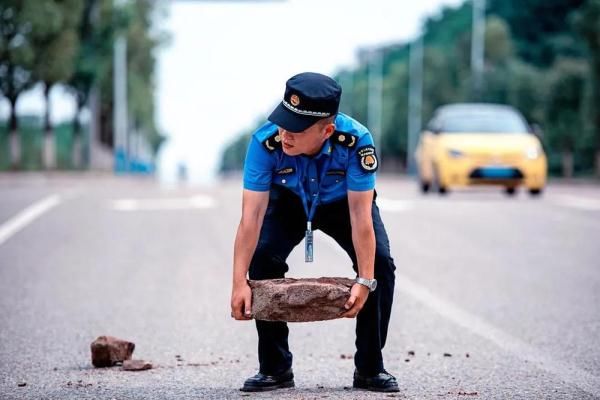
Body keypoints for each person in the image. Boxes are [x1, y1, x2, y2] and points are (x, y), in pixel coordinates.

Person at [230, 72, 398, 393]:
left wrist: (364, 281)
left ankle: (370, 367)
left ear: (328, 130)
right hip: (289, 199)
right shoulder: (264, 143)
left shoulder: (357, 142)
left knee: (379, 264)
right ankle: (275, 368)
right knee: (263, 258)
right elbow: (250, 218)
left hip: (340, 202)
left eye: (296, 128)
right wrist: (239, 283)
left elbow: (361, 217)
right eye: (283, 122)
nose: (285, 134)